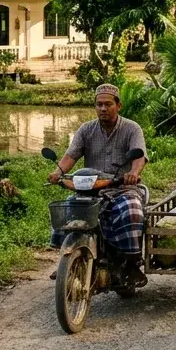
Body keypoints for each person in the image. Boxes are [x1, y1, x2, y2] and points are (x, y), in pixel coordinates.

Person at [48, 83, 149, 286]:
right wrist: (58, 172)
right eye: (99, 104)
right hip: (90, 189)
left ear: (118, 105)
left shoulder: (131, 128)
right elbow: (71, 155)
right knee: (69, 207)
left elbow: (140, 156)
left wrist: (133, 173)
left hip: (122, 187)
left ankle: (131, 263)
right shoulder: (86, 130)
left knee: (131, 211)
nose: (103, 109)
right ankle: (66, 258)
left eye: (108, 104)